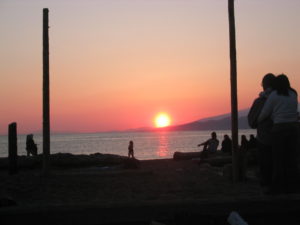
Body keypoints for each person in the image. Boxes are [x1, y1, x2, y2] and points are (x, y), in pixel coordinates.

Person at [258, 74, 299, 194]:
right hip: (294, 129)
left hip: (279, 129)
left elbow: (265, 113)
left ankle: (277, 187)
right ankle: (293, 186)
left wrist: (258, 121)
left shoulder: (274, 96)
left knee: (278, 159)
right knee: (291, 159)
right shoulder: (293, 94)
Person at [248, 73, 276, 190]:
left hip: (265, 139)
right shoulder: (286, 97)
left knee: (266, 167)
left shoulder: (260, 101)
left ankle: (267, 186)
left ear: (263, 86)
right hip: (282, 138)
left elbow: (252, 122)